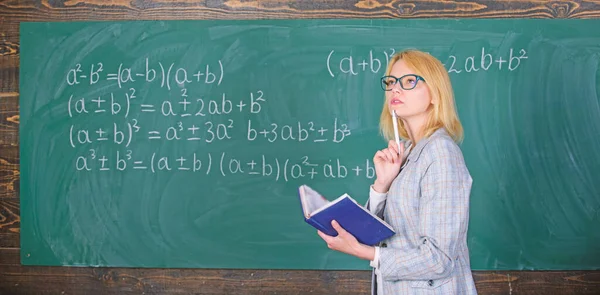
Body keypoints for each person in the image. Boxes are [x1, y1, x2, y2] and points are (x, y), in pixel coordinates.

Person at [317, 49, 477, 294]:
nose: (395, 89)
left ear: (435, 93)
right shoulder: (409, 153)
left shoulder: (441, 153)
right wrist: (383, 184)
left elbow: (440, 259)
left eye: (409, 81)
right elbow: (373, 233)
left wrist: (365, 253)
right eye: (391, 82)